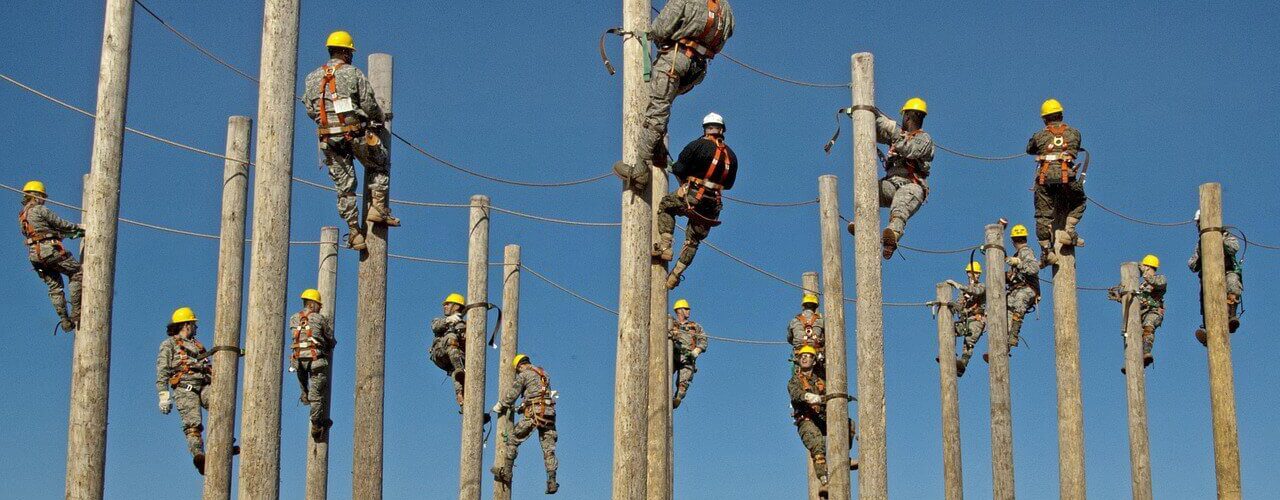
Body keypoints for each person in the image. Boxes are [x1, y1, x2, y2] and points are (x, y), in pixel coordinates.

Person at [612, 0, 735, 188]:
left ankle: (639, 169)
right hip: (697, 70)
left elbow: (660, 29)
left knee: (657, 110)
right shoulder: (726, 9)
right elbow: (722, 39)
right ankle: (657, 149)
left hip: (675, 61)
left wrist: (652, 36)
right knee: (662, 105)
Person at [303, 30, 397, 252]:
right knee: (380, 162)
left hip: (329, 139)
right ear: (346, 53)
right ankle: (378, 207)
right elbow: (369, 104)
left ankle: (355, 233)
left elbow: (310, 110)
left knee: (344, 188)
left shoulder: (311, 78)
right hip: (355, 134)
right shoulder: (353, 73)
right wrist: (380, 119)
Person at [653, 113, 738, 289]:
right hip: (712, 206)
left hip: (692, 196)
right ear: (722, 131)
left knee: (666, 206)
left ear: (705, 129)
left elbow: (679, 168)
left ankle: (665, 247)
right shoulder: (731, 156)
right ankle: (675, 275)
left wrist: (684, 172)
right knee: (693, 241)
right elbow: (729, 184)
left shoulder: (697, 145)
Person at [870, 98, 935, 259]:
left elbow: (909, 149)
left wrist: (891, 128)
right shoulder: (899, 135)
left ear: (906, 116)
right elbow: (878, 131)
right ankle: (864, 223)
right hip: (892, 184)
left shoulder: (924, 139)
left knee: (900, 207)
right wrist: (868, 114)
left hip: (912, 186)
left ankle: (892, 235)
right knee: (867, 191)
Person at [788, 345, 858, 490]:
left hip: (822, 417)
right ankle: (824, 480)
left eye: (808, 356)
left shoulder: (821, 377)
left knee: (848, 424)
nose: (804, 358)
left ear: (814, 361)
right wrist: (807, 396)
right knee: (817, 443)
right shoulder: (795, 380)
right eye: (802, 356)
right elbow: (795, 393)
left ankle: (844, 458)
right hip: (806, 419)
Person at [17, 180, 84, 331]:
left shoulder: (22, 216)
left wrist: (62, 234)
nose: (44, 200)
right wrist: (79, 228)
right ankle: (76, 312)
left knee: (55, 288)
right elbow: (60, 223)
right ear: (36, 196)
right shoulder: (40, 209)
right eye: (42, 196)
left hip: (35, 256)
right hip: (49, 251)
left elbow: (40, 232)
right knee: (76, 272)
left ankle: (65, 321)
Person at [156, 307, 217, 474]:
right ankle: (199, 456)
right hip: (185, 388)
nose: (196, 327)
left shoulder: (197, 345)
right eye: (193, 324)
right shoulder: (169, 344)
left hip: (204, 385)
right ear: (186, 325)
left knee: (221, 405)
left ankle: (221, 442)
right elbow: (162, 371)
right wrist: (163, 395)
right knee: (193, 424)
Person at [1027, 98, 1085, 265]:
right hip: (1067, 178)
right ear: (1061, 115)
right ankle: (1069, 230)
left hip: (1045, 179)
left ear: (1045, 119)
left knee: (1043, 215)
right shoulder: (1074, 133)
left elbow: (1030, 149)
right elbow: (1076, 147)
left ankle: (1047, 251)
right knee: (1079, 201)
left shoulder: (1039, 136)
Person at [491, 354, 560, 494]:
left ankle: (507, 473)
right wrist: (521, 408)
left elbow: (513, 394)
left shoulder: (524, 375)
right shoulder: (544, 374)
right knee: (549, 449)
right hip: (549, 415)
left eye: (518, 370)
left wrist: (501, 404)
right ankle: (552, 482)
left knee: (512, 439)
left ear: (520, 366)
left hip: (534, 414)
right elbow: (539, 394)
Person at [1188, 211, 1244, 345]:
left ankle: (1231, 316)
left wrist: (1219, 238)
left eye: (1199, 222)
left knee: (1232, 283)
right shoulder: (1200, 244)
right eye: (1197, 223)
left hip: (1227, 271)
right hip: (1209, 277)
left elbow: (1234, 248)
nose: (1198, 225)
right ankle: (1208, 328)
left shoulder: (1226, 235)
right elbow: (1192, 264)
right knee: (1206, 298)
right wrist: (1201, 256)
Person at [289, 289, 336, 440]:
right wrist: (329, 345)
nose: (320, 307)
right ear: (312, 304)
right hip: (316, 361)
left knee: (306, 387)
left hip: (298, 360)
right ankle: (317, 426)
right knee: (317, 395)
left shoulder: (293, 318)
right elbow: (329, 338)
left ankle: (304, 394)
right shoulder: (319, 319)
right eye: (319, 305)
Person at [430, 293, 469, 411]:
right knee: (451, 337)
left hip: (455, 358)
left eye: (448, 304)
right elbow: (435, 326)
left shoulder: (466, 325)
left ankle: (463, 402)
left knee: (458, 375)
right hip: (440, 353)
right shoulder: (439, 320)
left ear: (457, 306)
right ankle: (459, 369)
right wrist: (448, 321)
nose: (444, 306)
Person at [1005, 224, 1041, 348]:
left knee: (1020, 299)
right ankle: (1005, 344)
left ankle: (1014, 335)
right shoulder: (1017, 255)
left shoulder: (1026, 251)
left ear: (1012, 241)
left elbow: (1033, 269)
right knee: (1004, 309)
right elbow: (1013, 277)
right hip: (1016, 290)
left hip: (1028, 288)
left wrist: (1018, 263)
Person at [948, 262, 986, 377]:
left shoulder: (982, 286)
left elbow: (975, 291)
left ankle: (962, 365)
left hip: (977, 319)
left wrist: (959, 285)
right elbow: (960, 306)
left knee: (969, 341)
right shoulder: (963, 292)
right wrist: (952, 305)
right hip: (965, 320)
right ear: (969, 274)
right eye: (975, 273)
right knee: (950, 330)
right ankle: (949, 355)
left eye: (978, 273)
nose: (977, 275)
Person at [670, 299, 708, 409]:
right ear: (679, 310)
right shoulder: (671, 324)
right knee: (664, 374)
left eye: (688, 309)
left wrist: (697, 351)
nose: (688, 311)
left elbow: (703, 340)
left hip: (688, 357)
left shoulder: (694, 326)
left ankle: (676, 399)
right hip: (672, 355)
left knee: (683, 383)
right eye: (686, 309)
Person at [787, 293, 825, 370]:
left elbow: (789, 338)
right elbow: (826, 338)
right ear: (815, 307)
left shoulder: (794, 321)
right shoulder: (821, 321)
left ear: (803, 306)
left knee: (797, 373)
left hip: (799, 352)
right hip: (815, 353)